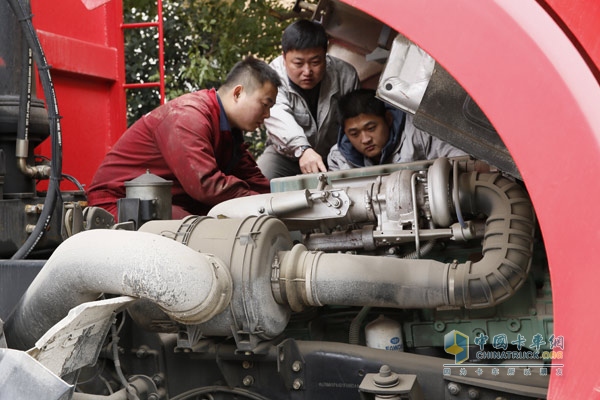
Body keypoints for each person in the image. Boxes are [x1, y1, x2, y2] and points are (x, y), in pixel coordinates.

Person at [86, 56, 281, 220]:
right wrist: (261, 205)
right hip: (117, 205)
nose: (268, 114)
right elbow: (207, 185)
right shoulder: (188, 116)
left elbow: (253, 181)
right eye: (265, 104)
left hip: (164, 203)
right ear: (238, 93)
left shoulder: (229, 131)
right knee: (202, 232)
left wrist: (280, 202)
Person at [257, 19, 360, 179]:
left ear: (326, 55)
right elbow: (278, 117)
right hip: (286, 155)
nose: (307, 71)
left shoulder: (345, 75)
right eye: (298, 63)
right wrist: (303, 149)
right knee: (261, 182)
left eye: (315, 62)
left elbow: (355, 122)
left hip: (335, 153)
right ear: (284, 57)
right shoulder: (271, 78)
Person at [328, 89, 467, 170]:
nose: (365, 139)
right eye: (354, 134)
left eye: (371, 128)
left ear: (388, 119)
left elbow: (462, 162)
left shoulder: (420, 132)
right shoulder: (338, 158)